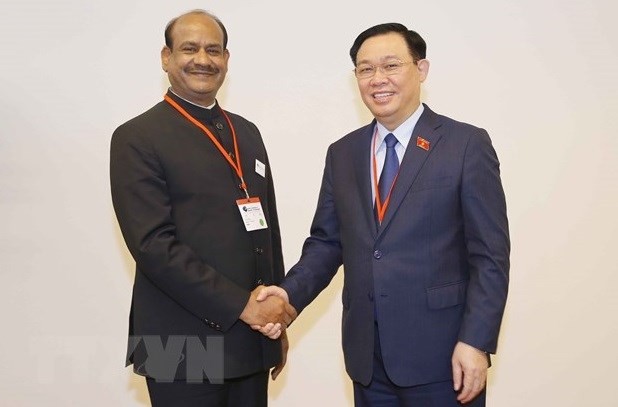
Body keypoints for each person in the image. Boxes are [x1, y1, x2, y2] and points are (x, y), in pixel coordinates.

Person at [255, 23, 510, 406]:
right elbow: (327, 243)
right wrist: (288, 294)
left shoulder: (465, 145)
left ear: (421, 70)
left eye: (391, 65)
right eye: (365, 69)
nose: (378, 79)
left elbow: (490, 257)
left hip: (444, 358)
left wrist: (475, 341)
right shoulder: (343, 153)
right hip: (367, 360)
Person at [110, 10, 295, 407]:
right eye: (189, 48)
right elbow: (153, 245)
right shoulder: (136, 137)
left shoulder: (246, 132)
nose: (203, 59)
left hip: (250, 337)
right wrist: (242, 305)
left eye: (214, 50)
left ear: (227, 59)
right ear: (166, 57)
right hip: (175, 342)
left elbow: (267, 230)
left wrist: (275, 321)